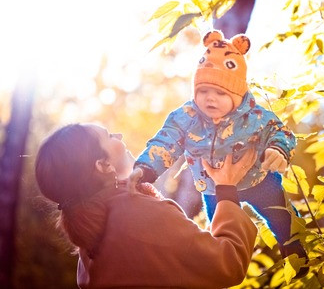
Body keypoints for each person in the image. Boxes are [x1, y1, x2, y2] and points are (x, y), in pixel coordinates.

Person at [135, 30, 308, 267]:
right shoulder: (186, 117)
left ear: (237, 95)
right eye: (203, 91)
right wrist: (145, 168)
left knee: (283, 219)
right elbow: (165, 142)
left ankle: (298, 258)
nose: (210, 99)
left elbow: (281, 131)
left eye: (220, 92)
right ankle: (220, 274)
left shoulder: (256, 116)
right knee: (219, 235)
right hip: (214, 189)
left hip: (261, 181)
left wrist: (278, 149)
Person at [35, 123, 258, 288]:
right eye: (109, 135)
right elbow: (227, 263)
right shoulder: (140, 214)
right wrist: (227, 189)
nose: (119, 134)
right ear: (103, 165)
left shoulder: (90, 238)